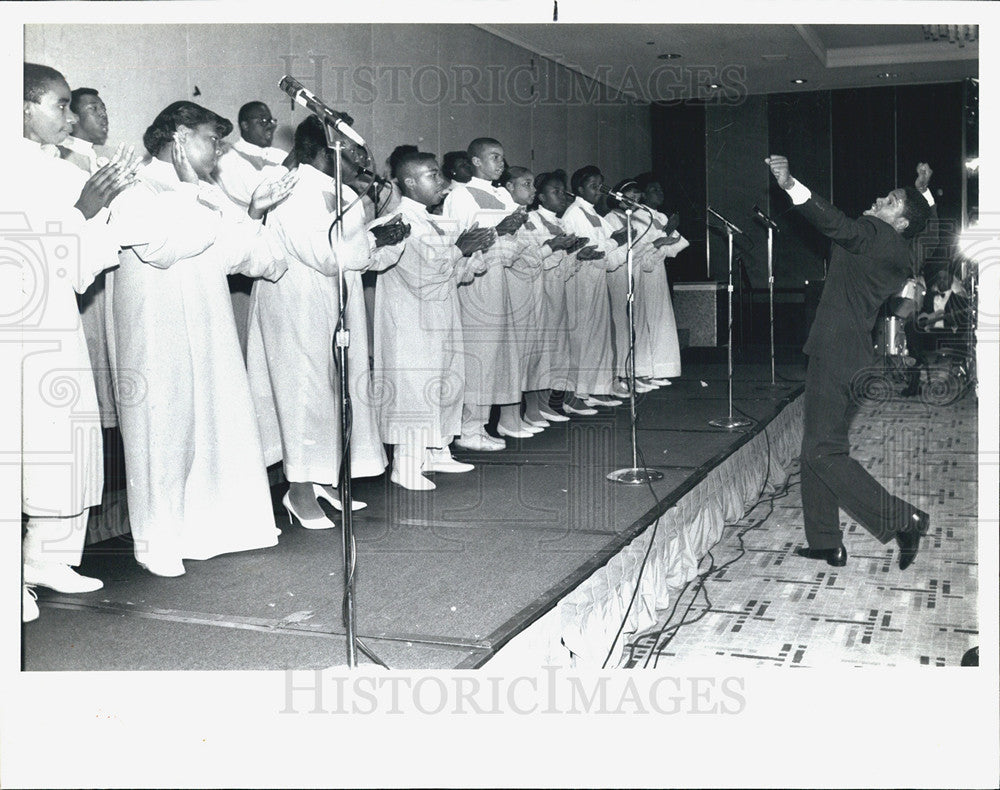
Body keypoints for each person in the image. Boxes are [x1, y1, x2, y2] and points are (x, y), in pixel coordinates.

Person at [106, 100, 297, 577]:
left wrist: (252, 213)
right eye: (212, 139)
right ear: (180, 138)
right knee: (163, 429)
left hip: (207, 317)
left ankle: (212, 528)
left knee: (215, 420)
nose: (219, 150)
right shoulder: (136, 185)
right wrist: (204, 204)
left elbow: (238, 257)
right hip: (156, 323)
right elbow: (162, 249)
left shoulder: (203, 191)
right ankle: (157, 542)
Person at [766, 153, 933, 571]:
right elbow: (911, 234)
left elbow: (836, 224)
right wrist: (922, 190)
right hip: (853, 355)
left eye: (891, 200)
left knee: (823, 453)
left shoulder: (876, 234)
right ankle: (825, 541)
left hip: (837, 354)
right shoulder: (898, 249)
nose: (880, 199)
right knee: (819, 447)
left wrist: (791, 184)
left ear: (900, 222)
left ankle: (904, 519)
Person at [18, 63, 137, 621]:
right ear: (22, 107)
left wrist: (100, 208)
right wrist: (84, 211)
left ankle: (45, 557)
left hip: (54, 318)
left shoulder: (51, 166)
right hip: (17, 330)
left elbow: (76, 261)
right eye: (60, 105)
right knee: (21, 447)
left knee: (62, 436)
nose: (68, 117)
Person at [246, 116, 408, 525]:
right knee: (304, 391)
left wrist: (378, 238)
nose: (361, 157)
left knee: (335, 389)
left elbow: (349, 253)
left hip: (334, 298)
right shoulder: (297, 190)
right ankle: (299, 492)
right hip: (296, 301)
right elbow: (324, 255)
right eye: (352, 149)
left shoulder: (337, 191)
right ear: (324, 151)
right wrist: (373, 238)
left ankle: (326, 480)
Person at [371, 151, 494, 489]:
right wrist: (459, 250)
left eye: (439, 174)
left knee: (444, 381)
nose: (441, 182)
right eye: (432, 175)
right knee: (415, 388)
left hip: (440, 316)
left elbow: (450, 276)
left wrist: (470, 254)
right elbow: (422, 275)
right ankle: (406, 465)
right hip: (411, 322)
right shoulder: (398, 222)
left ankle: (435, 451)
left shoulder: (429, 220)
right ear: (409, 182)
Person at [443, 137, 528, 450]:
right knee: (478, 354)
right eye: (494, 157)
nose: (501, 163)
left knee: (496, 354)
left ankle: (481, 423)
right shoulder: (461, 195)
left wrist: (509, 235)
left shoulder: (502, 194)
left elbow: (512, 240)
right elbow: (458, 242)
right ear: (476, 161)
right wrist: (500, 232)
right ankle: (467, 428)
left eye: (503, 157)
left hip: (498, 278)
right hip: (473, 283)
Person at [60, 87, 119, 430]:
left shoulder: (102, 157)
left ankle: (108, 423)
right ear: (74, 118)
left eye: (104, 107)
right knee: (90, 344)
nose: (103, 115)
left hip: (106, 264)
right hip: (81, 267)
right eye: (94, 109)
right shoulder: (62, 160)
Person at [559, 165, 629, 413]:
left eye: (600, 185)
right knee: (581, 338)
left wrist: (621, 238)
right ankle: (574, 395)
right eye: (593, 186)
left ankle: (592, 389)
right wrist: (616, 241)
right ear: (579, 188)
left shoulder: (592, 214)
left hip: (597, 280)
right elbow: (589, 249)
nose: (599, 191)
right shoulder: (574, 214)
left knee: (598, 336)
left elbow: (611, 245)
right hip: (579, 282)